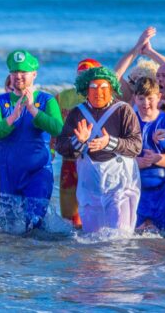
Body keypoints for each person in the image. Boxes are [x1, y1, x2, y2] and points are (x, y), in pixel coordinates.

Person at [56, 66, 142, 233]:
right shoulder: (77, 113)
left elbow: (136, 146)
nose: (99, 92)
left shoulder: (123, 110)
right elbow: (61, 146)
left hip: (120, 183)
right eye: (94, 87)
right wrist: (78, 142)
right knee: (91, 240)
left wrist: (109, 142)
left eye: (104, 87)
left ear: (111, 88)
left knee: (119, 237)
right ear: (85, 89)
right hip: (89, 184)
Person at [0, 50, 63, 230]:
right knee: (9, 228)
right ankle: (16, 259)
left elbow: (58, 128)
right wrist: (12, 117)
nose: (18, 76)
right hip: (8, 175)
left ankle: (35, 258)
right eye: (14, 72)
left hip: (38, 173)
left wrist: (33, 110)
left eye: (23, 72)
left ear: (34, 74)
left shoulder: (46, 100)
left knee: (34, 225)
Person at [54, 59, 102, 228]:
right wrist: (51, 153)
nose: (83, 78)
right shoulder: (63, 96)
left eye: (88, 75)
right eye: (80, 74)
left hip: (95, 159)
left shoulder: (103, 97)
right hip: (70, 158)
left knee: (94, 205)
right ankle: (71, 244)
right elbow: (55, 128)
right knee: (69, 211)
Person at [132, 77, 165, 231]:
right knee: (133, 238)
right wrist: (135, 162)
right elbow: (117, 156)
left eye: (150, 98)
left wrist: (156, 158)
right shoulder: (128, 121)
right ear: (135, 98)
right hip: (133, 189)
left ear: (159, 97)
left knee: (159, 239)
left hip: (161, 193)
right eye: (141, 98)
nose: (145, 103)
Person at [114, 27, 159, 104]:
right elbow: (115, 77)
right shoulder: (130, 99)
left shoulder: (161, 101)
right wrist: (138, 48)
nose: (133, 85)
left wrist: (149, 52)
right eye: (132, 81)